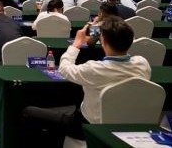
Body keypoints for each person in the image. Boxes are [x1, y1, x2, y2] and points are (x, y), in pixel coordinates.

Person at [22, 16, 151, 145]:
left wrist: (76, 44)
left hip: (89, 128)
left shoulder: (94, 69)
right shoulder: (143, 64)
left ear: (104, 40)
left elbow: (64, 69)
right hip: (129, 126)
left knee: (29, 112)